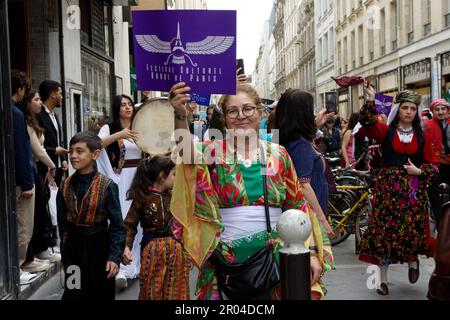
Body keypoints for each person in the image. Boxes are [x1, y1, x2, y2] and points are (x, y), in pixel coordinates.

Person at [168, 82, 334, 300]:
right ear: (225, 117)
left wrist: (310, 253)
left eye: (247, 109)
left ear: (260, 112)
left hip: (277, 258)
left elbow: (298, 208)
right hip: (226, 261)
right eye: (232, 111)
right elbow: (185, 154)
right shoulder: (213, 151)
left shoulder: (279, 154)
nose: (241, 116)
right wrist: (180, 117)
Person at [357, 85, 438, 296]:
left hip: (412, 194)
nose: (409, 112)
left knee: (411, 233)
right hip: (387, 194)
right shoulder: (387, 132)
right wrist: (371, 100)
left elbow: (433, 165)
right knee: (385, 235)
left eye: (412, 108)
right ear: (398, 110)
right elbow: (367, 123)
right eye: (405, 108)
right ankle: (382, 280)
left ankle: (413, 262)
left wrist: (418, 170)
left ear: (416, 112)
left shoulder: (422, 137)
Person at [57, 131, 125, 300]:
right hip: (74, 248)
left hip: (100, 248)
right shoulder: (65, 185)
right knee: (73, 292)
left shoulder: (107, 185)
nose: (73, 155)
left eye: (79, 151)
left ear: (95, 154)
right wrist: (66, 256)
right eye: (71, 151)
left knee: (100, 294)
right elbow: (63, 226)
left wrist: (114, 257)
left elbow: (117, 226)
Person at [122, 156, 189, 300]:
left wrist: (187, 251)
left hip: (176, 249)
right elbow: (129, 224)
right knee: (152, 290)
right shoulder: (143, 197)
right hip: (152, 250)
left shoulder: (174, 197)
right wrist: (126, 247)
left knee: (176, 291)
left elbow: (184, 224)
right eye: (174, 174)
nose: (176, 178)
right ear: (162, 176)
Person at [96, 94, 143, 288]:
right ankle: (121, 268)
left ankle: (135, 266)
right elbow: (95, 145)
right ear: (116, 108)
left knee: (139, 221)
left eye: (130, 104)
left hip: (139, 177)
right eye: (123, 105)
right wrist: (119, 135)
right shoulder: (109, 128)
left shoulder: (141, 126)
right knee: (122, 219)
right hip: (119, 178)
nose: (127, 107)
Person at [274, 89, 334, 234]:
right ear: (302, 114)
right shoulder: (299, 144)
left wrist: (316, 125)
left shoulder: (294, 139)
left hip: (305, 214)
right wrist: (322, 220)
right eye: (311, 108)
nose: (313, 113)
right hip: (307, 217)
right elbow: (303, 184)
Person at [22, 89, 59, 266]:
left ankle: (38, 251)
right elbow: (38, 150)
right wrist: (52, 165)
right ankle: (29, 257)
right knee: (33, 216)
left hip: (39, 170)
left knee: (40, 213)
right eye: (36, 100)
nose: (39, 103)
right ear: (27, 102)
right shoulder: (26, 122)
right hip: (34, 170)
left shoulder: (33, 121)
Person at [11, 70, 41, 275]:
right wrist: (28, 183)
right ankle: (18, 268)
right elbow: (21, 150)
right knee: (23, 224)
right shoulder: (15, 113)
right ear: (20, 90)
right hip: (19, 180)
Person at [424, 98, 450, 229]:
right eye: (437, 109)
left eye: (443, 109)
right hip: (435, 167)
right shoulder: (426, 126)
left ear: (447, 110)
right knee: (437, 201)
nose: (440, 112)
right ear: (433, 111)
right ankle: (441, 231)